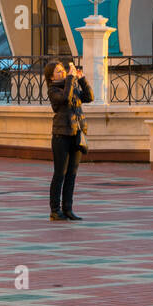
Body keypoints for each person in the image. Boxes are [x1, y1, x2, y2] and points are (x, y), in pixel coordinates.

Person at [46, 60, 92, 221]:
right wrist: (71, 80)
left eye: (62, 70)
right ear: (51, 77)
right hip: (61, 135)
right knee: (60, 173)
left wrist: (82, 79)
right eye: (58, 71)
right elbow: (65, 99)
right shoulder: (53, 90)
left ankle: (68, 209)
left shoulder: (70, 85)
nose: (62, 73)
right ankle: (54, 210)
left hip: (77, 134)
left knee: (72, 174)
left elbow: (89, 97)